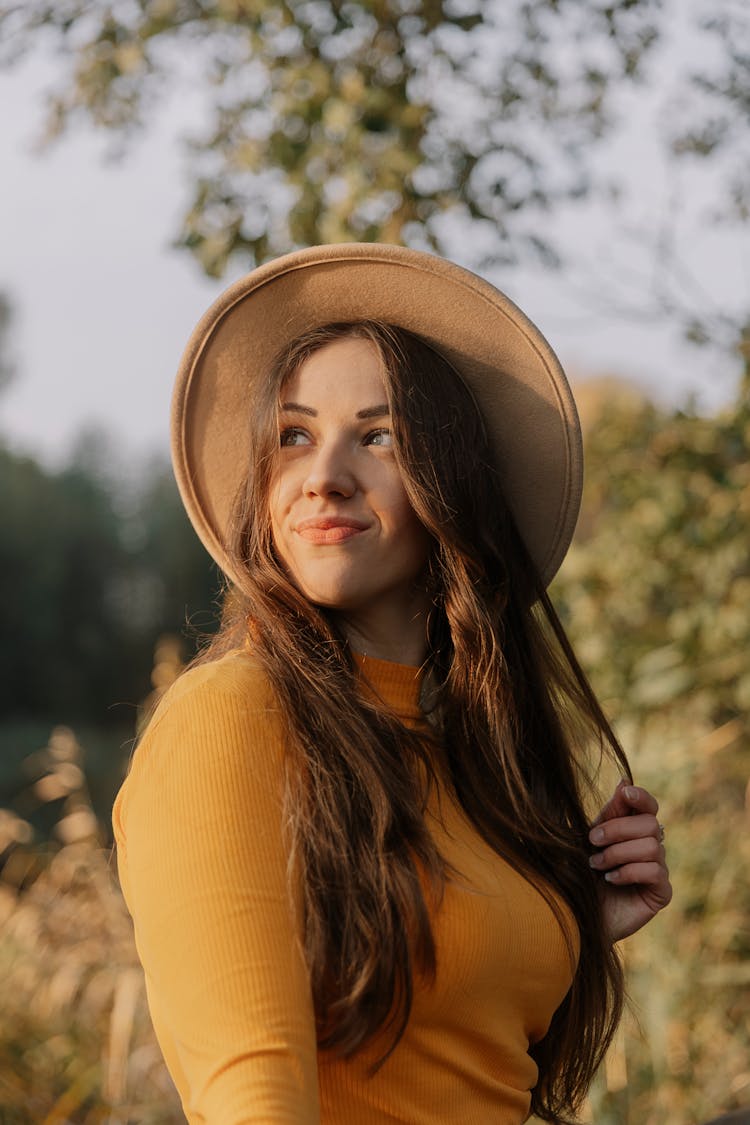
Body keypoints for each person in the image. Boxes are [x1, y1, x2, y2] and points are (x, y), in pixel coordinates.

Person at [113, 243, 672, 1125]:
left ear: (450, 484)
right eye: (293, 435)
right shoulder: (230, 716)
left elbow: (454, 1068)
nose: (323, 476)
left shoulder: (466, 748)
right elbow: (251, 1093)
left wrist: (572, 925)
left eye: (378, 437)